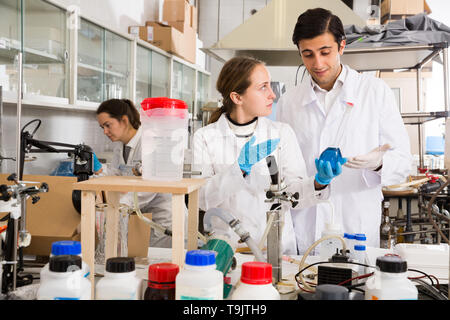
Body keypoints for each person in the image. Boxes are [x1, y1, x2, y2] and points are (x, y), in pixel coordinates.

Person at [276, 8, 412, 253]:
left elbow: (403, 163)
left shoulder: (374, 92)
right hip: (307, 224)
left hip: (356, 222)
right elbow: (287, 173)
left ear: (341, 46)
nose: (317, 63)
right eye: (308, 54)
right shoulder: (289, 102)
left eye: (325, 52)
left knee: (356, 283)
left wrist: (378, 163)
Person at [192, 56, 343, 254]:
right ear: (237, 97)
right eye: (263, 87)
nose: (272, 94)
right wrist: (238, 170)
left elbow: (294, 197)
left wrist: (319, 183)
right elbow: (201, 199)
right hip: (229, 249)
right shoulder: (205, 137)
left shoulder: (281, 133)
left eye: (270, 86)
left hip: (277, 250)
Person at [96, 99, 173, 248]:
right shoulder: (120, 145)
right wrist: (98, 170)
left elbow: (149, 187)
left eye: (107, 125)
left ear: (124, 121)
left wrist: (121, 205)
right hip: (142, 219)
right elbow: (116, 174)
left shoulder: (149, 141)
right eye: (102, 127)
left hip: (163, 221)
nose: (105, 131)